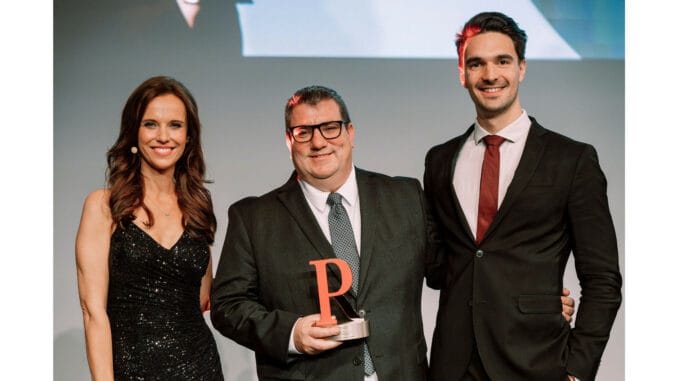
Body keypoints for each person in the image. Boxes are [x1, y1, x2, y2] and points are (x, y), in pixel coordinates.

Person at [209, 85, 574, 380]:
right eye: (303, 132)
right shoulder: (253, 217)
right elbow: (227, 306)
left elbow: (456, 271)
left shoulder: (405, 196)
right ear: (289, 141)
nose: (318, 142)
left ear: (350, 134)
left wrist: (528, 299)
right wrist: (291, 334)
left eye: (330, 128)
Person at [424, 12, 622, 381]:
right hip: (454, 366)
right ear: (461, 73)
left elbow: (602, 279)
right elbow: (439, 269)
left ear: (522, 68)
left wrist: (577, 369)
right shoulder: (439, 160)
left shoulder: (571, 159)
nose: (490, 74)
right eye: (476, 63)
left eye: (503, 61)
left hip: (537, 363)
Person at [75, 76, 224, 380]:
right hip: (133, 370)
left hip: (200, 368)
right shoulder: (103, 206)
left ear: (189, 137)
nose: (163, 136)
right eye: (151, 124)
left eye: (175, 125)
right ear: (133, 133)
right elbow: (93, 313)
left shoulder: (198, 206)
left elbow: (199, 299)